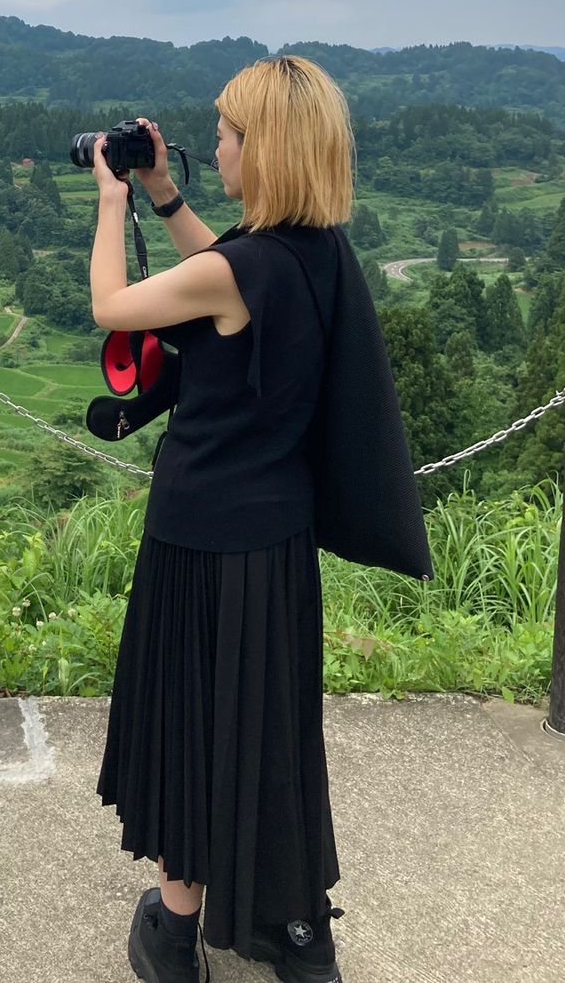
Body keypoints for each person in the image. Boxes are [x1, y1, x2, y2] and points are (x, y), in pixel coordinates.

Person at [90, 54, 352, 983]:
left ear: (268, 151)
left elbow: (112, 306)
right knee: (271, 727)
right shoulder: (313, 253)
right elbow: (226, 267)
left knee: (190, 723)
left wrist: (114, 202)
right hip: (277, 539)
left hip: (200, 538)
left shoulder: (240, 270)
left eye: (230, 135)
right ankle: (296, 930)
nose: (217, 147)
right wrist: (165, 193)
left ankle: (175, 928)